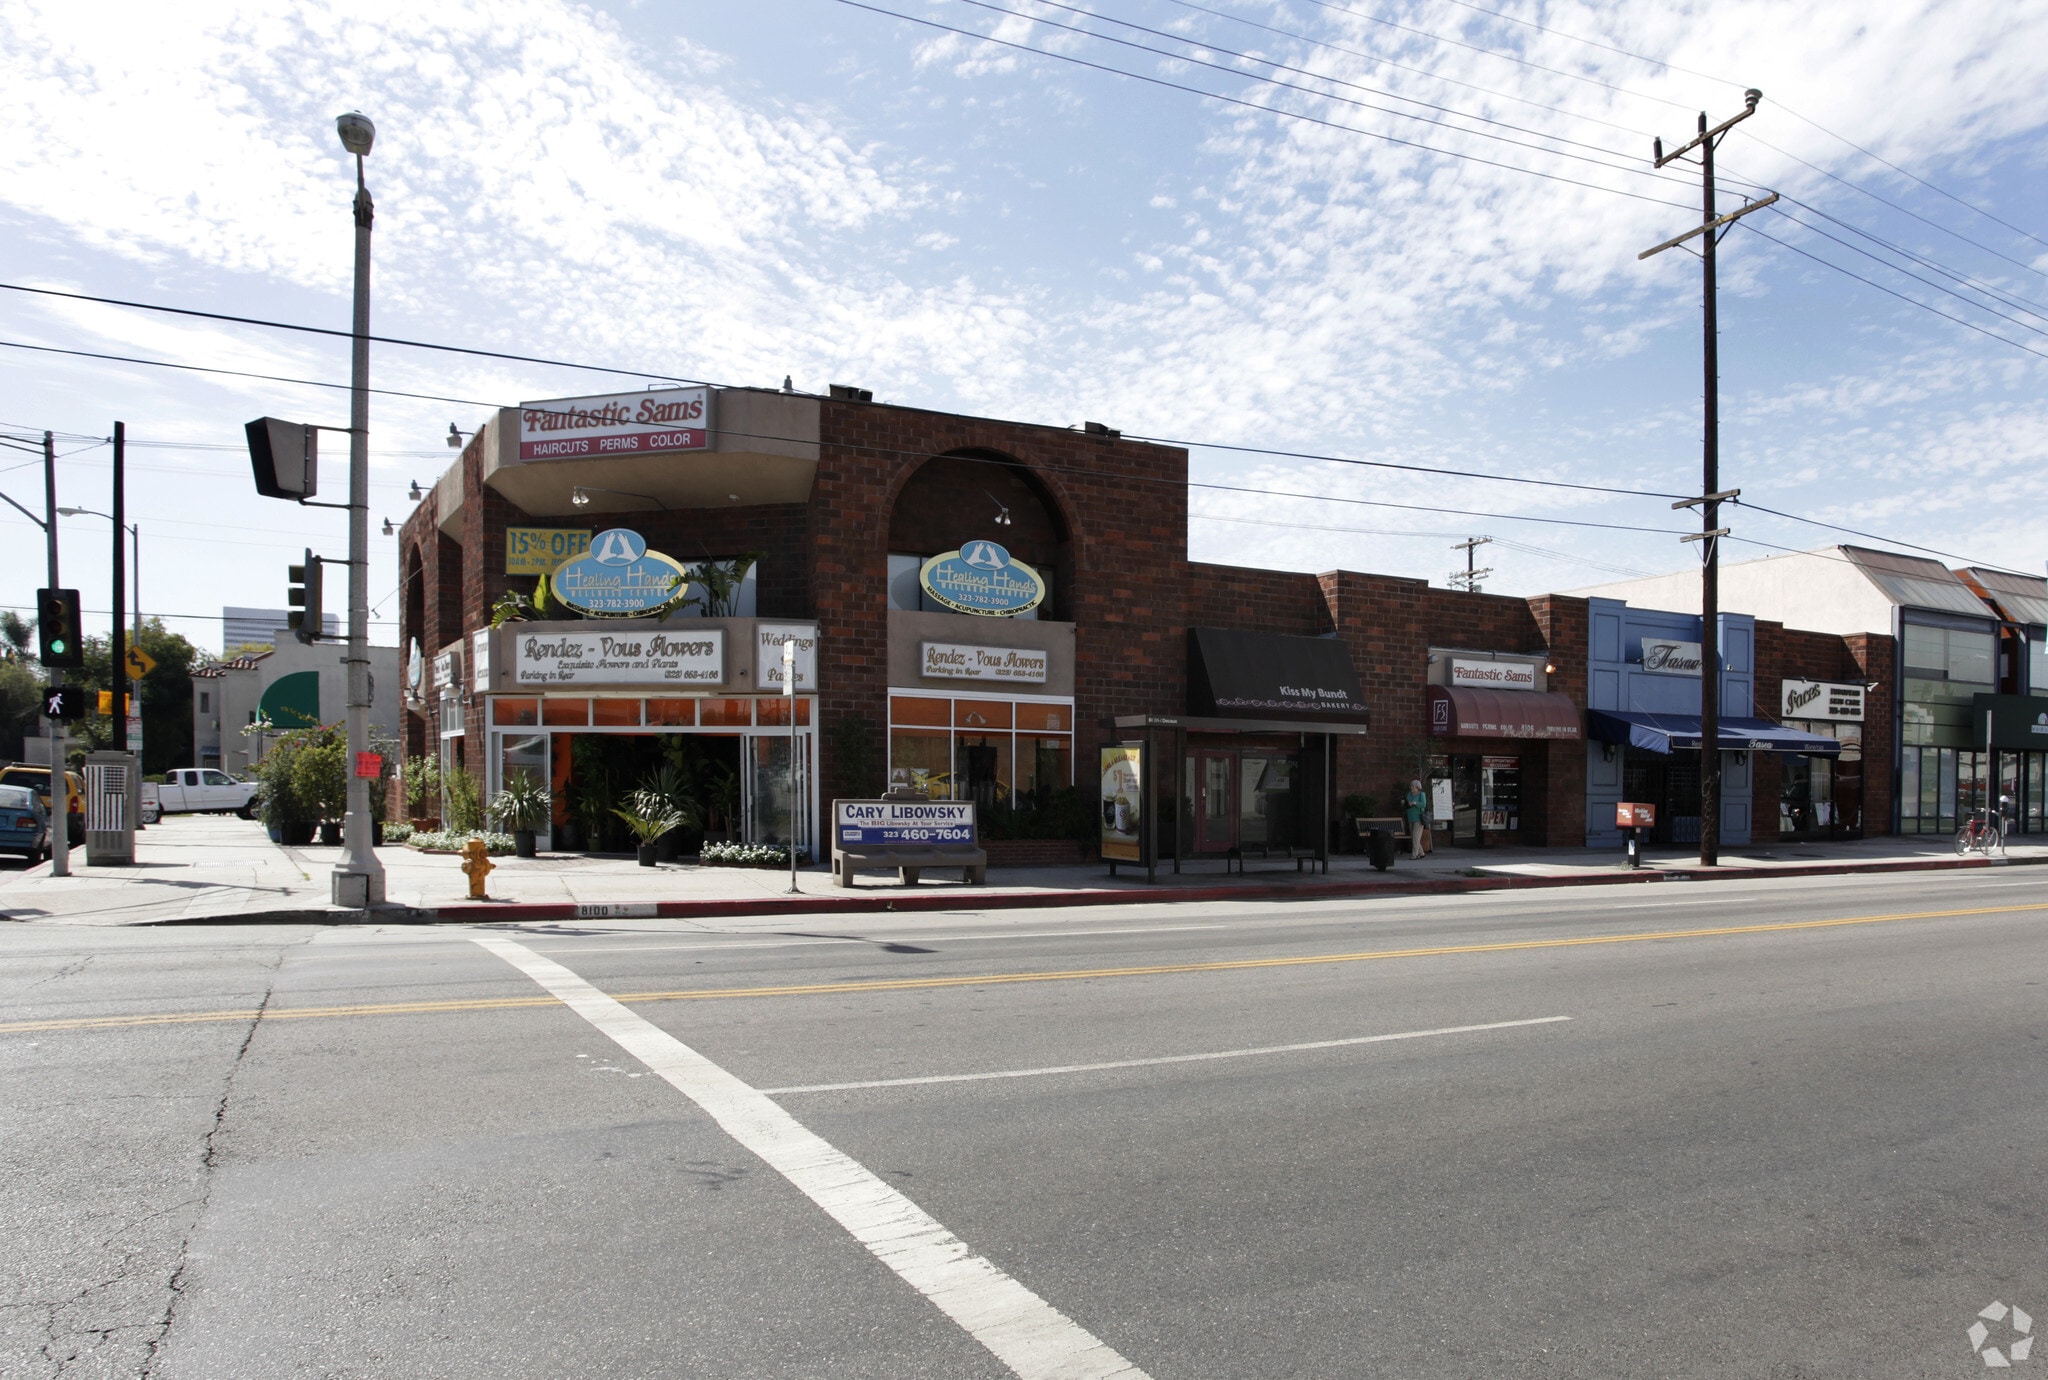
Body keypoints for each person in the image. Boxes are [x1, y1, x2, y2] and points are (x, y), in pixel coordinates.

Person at [1404, 778, 1431, 858]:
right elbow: (1407, 804)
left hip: (1419, 818)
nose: (1411, 787)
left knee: (1416, 837)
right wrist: (1404, 802)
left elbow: (1423, 804)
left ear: (1417, 787)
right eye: (1411, 786)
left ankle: (1414, 855)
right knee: (1414, 837)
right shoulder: (1409, 794)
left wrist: (1415, 803)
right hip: (1410, 817)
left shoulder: (1421, 794)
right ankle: (1421, 853)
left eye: (1413, 786)